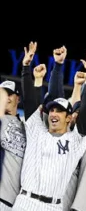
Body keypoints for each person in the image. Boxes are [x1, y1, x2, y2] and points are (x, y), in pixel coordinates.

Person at [12, 45, 86, 211]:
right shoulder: (36, 131)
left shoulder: (75, 140)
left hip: (53, 206)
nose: (53, 114)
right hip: (25, 202)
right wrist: (25, 68)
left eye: (59, 111)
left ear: (69, 117)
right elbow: (30, 101)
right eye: (51, 110)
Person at [0, 81, 26, 211]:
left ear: (18, 98)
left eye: (9, 94)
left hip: (15, 203)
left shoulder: (26, 127)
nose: (6, 98)